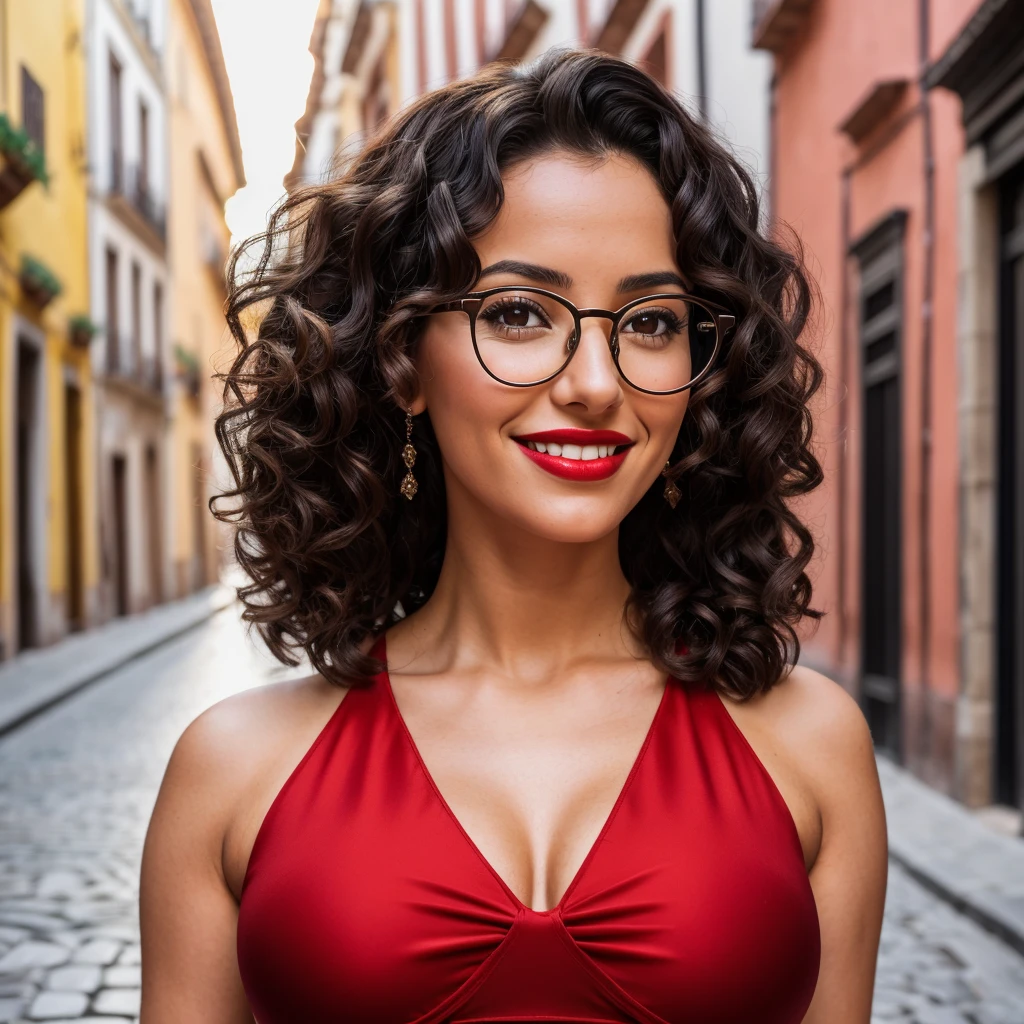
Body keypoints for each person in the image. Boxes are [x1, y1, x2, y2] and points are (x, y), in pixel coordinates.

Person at [139, 47, 887, 1024]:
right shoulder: (233, 770)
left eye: (650, 321)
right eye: (521, 312)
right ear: (401, 357)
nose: (594, 382)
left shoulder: (810, 747)